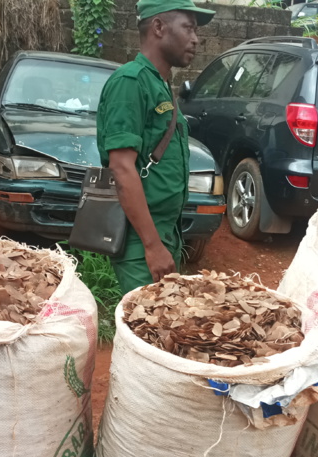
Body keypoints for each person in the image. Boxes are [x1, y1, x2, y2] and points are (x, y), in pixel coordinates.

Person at [96, 0, 215, 294]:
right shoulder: (130, 82)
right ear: (159, 27)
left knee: (164, 328)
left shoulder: (160, 84)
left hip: (166, 233)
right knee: (149, 332)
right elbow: (122, 168)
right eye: (188, 27)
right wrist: (152, 247)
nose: (196, 39)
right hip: (141, 239)